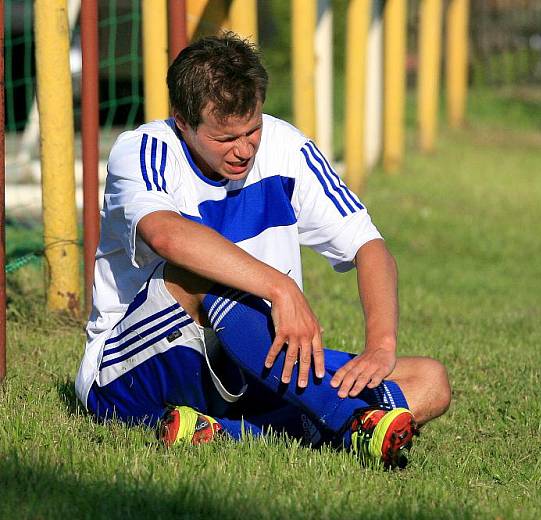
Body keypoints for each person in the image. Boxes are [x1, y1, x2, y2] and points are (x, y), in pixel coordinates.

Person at [74, 33, 451, 468]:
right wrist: (281, 289)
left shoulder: (287, 147)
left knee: (429, 380)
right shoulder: (142, 150)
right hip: (130, 375)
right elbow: (167, 237)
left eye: (253, 129)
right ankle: (350, 423)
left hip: (253, 362)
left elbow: (370, 246)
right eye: (225, 137)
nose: (245, 148)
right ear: (182, 122)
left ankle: (226, 434)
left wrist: (381, 346)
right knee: (200, 271)